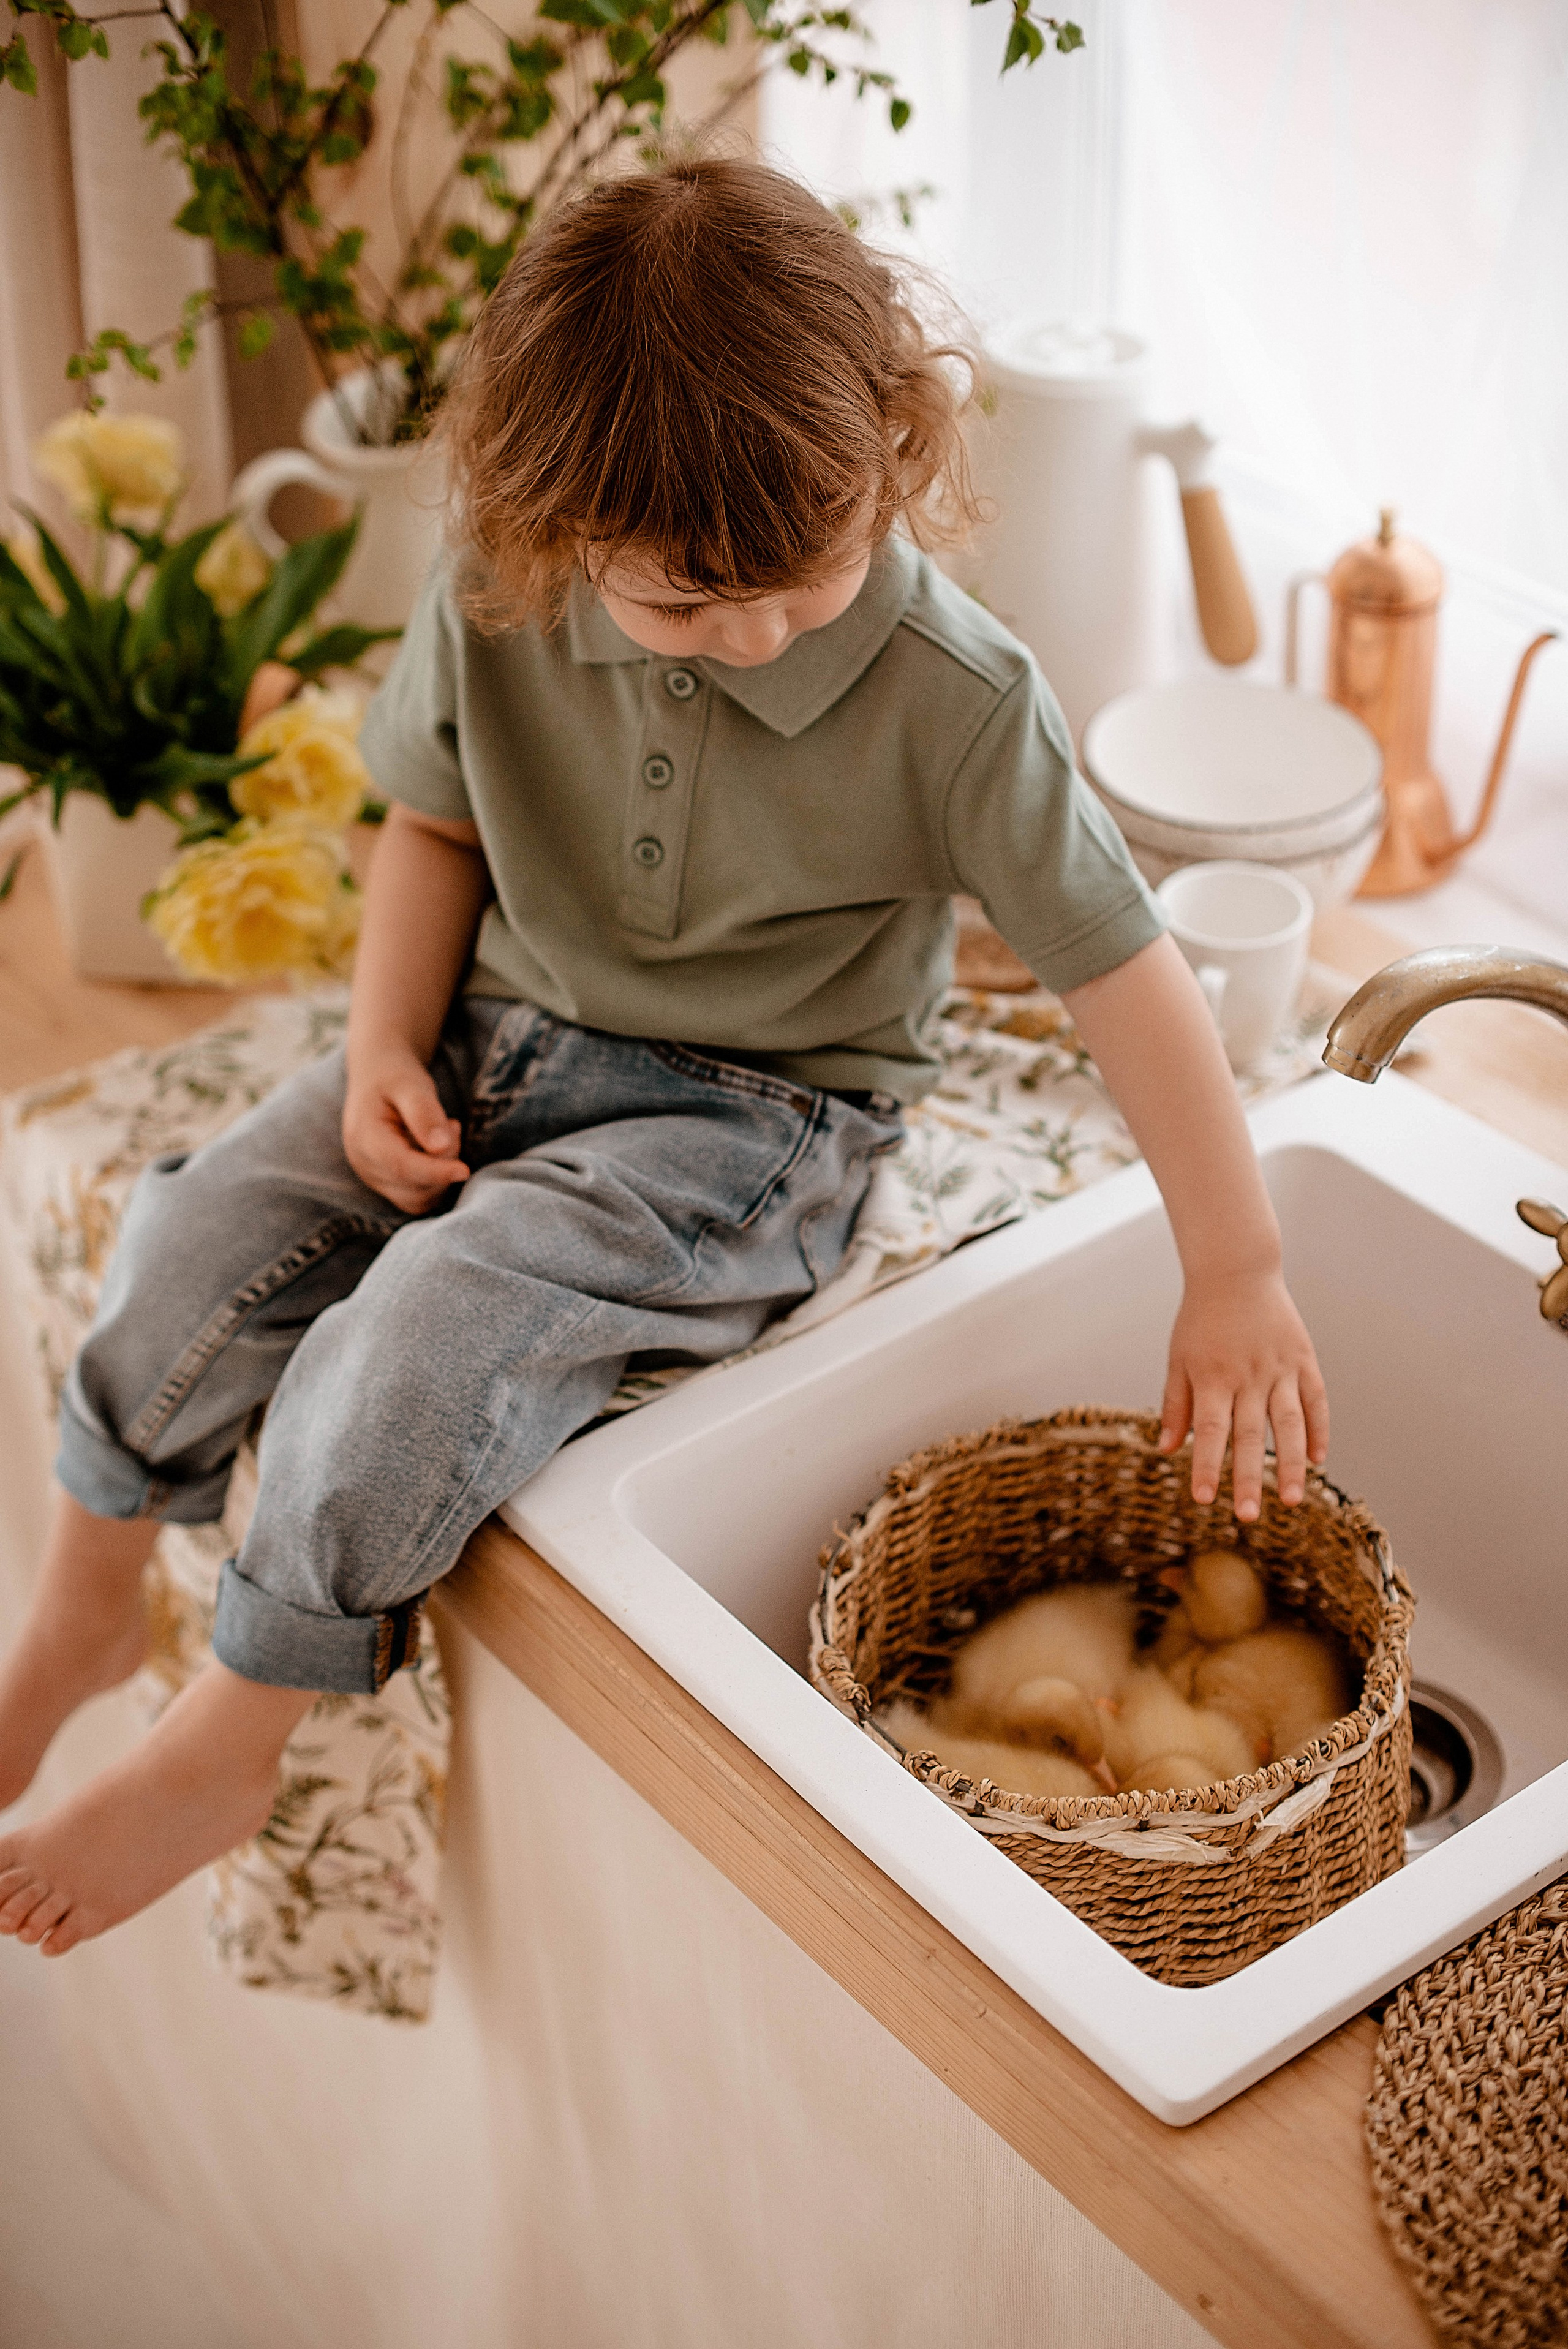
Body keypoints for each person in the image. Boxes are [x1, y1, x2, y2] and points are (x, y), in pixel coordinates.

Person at [0, 158, 1327, 1956]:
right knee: (182, 1239)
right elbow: (433, 827)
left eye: (813, 570)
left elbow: (1128, 973)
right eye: (688, 608)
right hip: (488, 1042)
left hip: (753, 1128)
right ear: (552, 529)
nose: (763, 632)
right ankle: (85, 1596)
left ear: (892, 451)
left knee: (410, 1338)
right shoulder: (500, 577)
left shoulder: (957, 695)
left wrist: (1233, 1261)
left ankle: (236, 1723)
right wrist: (386, 1039)